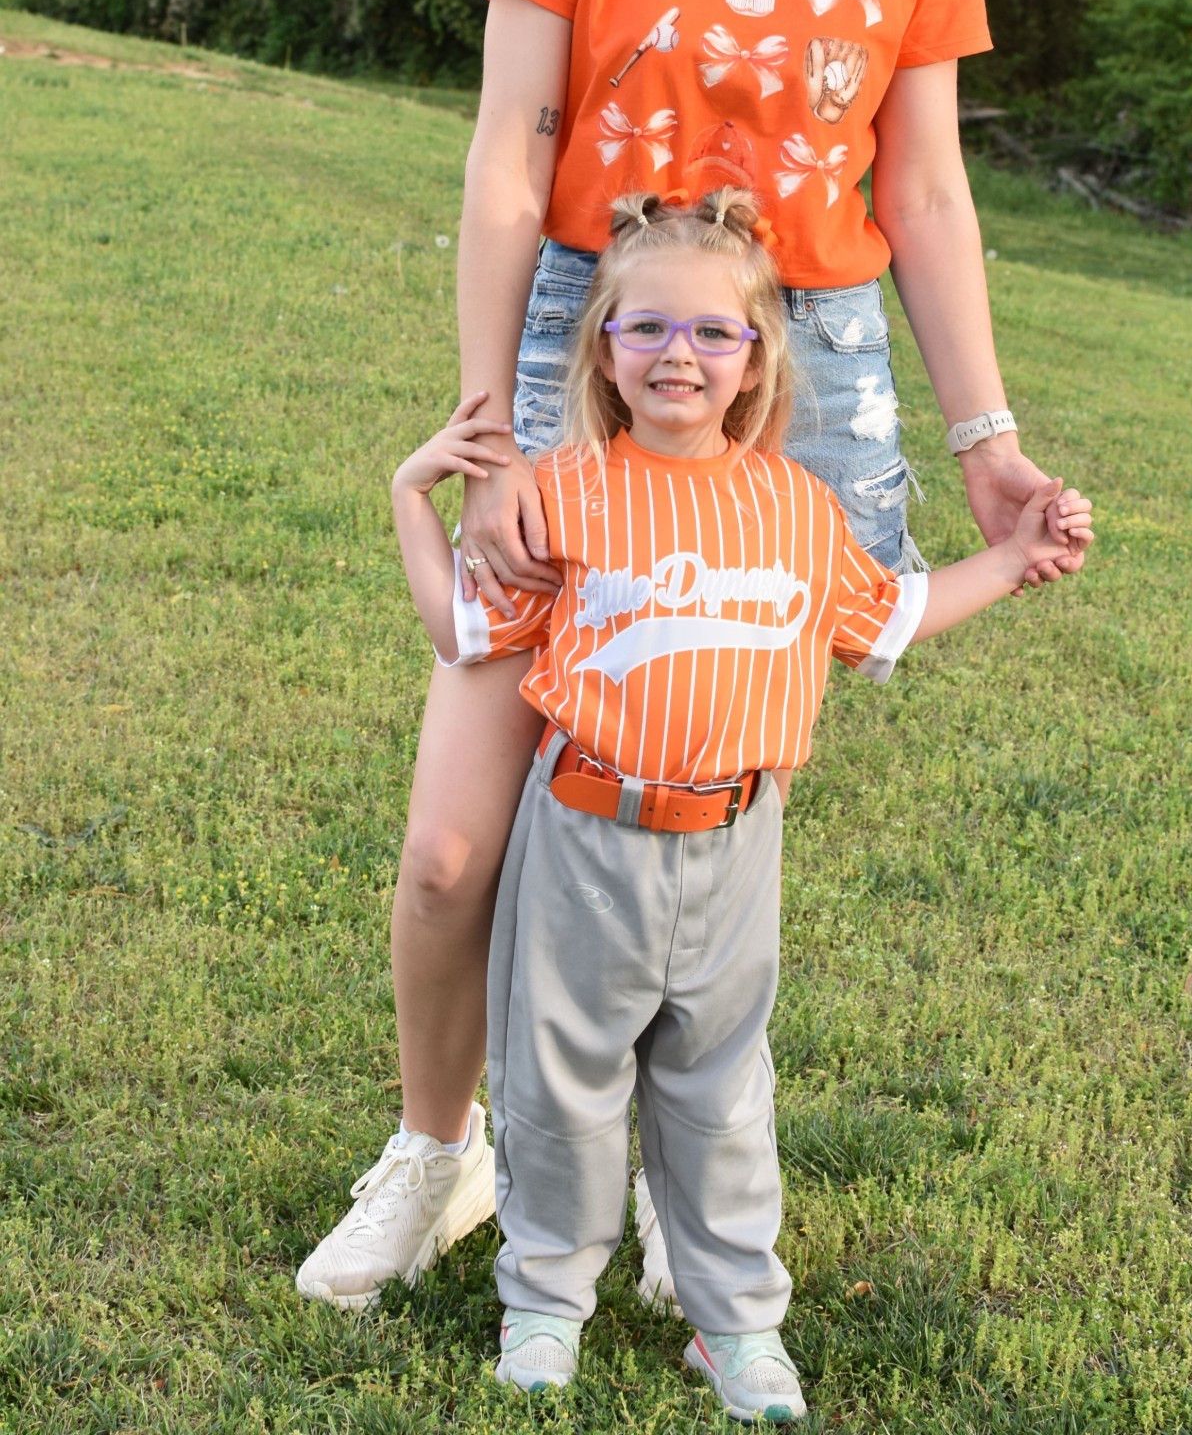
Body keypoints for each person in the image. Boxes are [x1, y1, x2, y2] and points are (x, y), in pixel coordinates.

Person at [295, 0, 1089, 1312]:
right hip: (595, 335)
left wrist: (986, 444)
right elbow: (511, 156)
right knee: (454, 841)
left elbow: (927, 192)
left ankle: (681, 1168)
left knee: (696, 806)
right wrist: (491, 427)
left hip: (799, 361)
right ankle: (438, 1150)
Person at [389, 191, 1093, 1420]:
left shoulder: (796, 506)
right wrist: (412, 492)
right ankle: (544, 1300)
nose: (680, 353)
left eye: (714, 331)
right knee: (557, 1081)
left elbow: (888, 619)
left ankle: (736, 1325)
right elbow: (464, 629)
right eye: (647, 326)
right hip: (585, 827)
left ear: (759, 356)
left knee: (720, 1091)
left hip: (732, 837)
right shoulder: (564, 492)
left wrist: (1013, 558)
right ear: (603, 346)